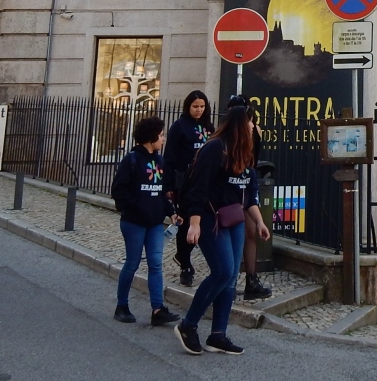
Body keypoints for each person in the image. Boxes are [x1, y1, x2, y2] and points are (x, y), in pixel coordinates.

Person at [175, 100, 271, 356]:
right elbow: (199, 187)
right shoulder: (214, 148)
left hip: (234, 219)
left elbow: (248, 195)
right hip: (210, 218)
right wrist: (194, 223)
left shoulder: (245, 154)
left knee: (230, 278)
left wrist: (259, 221)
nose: (253, 127)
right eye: (250, 123)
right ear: (240, 124)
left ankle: (218, 334)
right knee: (222, 271)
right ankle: (188, 325)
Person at [110, 115, 180, 327]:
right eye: (161, 135)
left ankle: (158, 309)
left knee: (155, 264)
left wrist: (171, 212)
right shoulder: (131, 160)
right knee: (132, 263)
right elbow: (118, 190)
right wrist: (137, 207)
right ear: (151, 137)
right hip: (134, 222)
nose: (163, 139)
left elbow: (161, 192)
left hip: (155, 223)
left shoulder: (160, 161)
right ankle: (122, 306)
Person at [164, 90, 213, 287]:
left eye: (202, 106)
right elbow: (169, 157)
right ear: (188, 107)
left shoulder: (209, 126)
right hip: (183, 179)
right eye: (195, 107)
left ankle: (184, 254)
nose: (199, 110)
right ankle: (185, 264)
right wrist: (168, 184)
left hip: (204, 178)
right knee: (184, 220)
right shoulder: (179, 126)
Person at [238, 97, 273, 301]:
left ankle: (251, 279)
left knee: (251, 231)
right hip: (232, 186)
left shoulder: (255, 131)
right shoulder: (225, 139)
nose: (251, 125)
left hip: (247, 180)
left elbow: (253, 157)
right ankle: (228, 281)